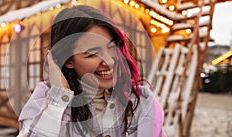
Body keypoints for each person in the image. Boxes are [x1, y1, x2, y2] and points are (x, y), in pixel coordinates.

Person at [17, 5, 165, 137]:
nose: (109, 61)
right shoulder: (44, 101)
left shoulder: (141, 102)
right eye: (92, 54)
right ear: (68, 61)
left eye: (112, 47)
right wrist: (58, 98)